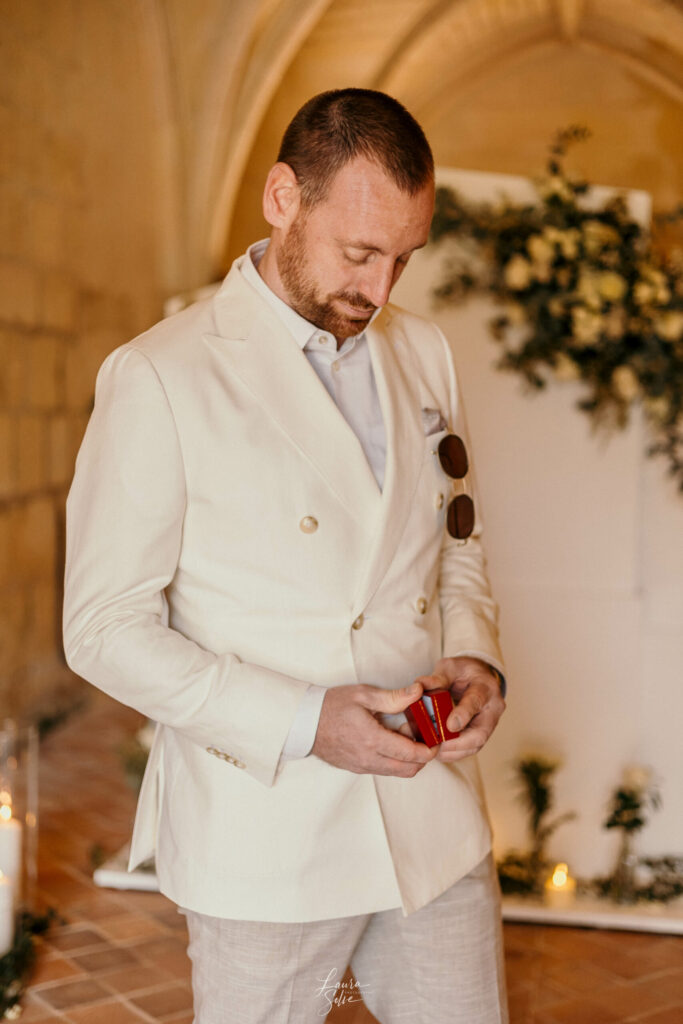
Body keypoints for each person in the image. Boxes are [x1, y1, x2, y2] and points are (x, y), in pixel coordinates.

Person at [63, 88, 508, 1023]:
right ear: (281, 198)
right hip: (264, 838)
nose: (381, 290)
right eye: (358, 253)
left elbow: (456, 542)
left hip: (429, 823)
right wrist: (307, 722)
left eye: (403, 257)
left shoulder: (422, 352)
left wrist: (473, 657)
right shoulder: (160, 373)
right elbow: (103, 630)